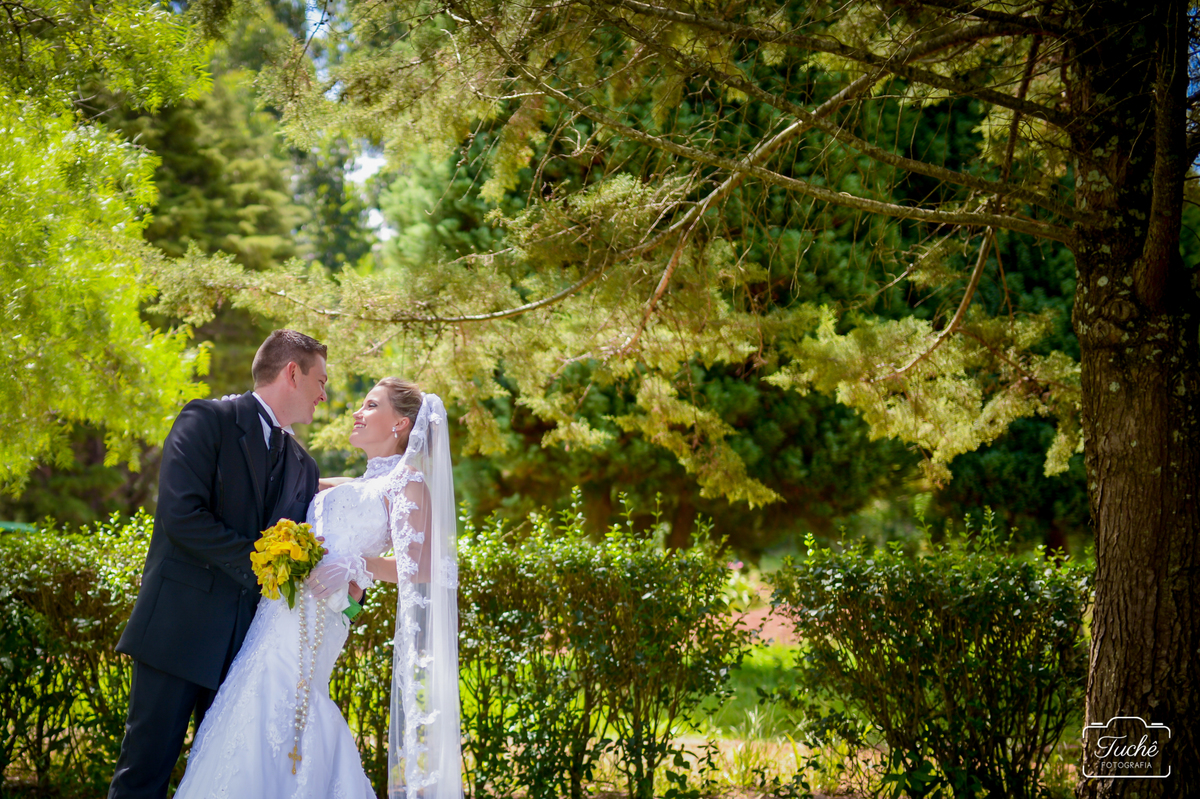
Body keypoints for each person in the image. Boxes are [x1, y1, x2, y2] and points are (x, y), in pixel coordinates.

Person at [171, 378, 462, 799]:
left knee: (295, 699)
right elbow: (277, 484)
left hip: (321, 617)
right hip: (277, 613)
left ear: (400, 423)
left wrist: (358, 566)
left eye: (371, 405)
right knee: (254, 693)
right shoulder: (352, 483)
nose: (357, 413)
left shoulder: (409, 483)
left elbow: (426, 567)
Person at [109, 330, 328, 799]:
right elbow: (181, 516)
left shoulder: (305, 467)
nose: (324, 395)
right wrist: (262, 561)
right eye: (321, 381)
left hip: (247, 652)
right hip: (177, 632)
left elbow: (310, 542)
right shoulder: (207, 419)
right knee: (143, 774)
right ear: (292, 373)